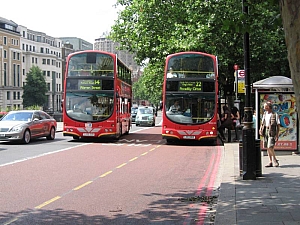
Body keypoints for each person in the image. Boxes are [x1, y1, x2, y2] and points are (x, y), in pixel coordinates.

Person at [259, 102, 280, 167]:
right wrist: (260, 129)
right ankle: (270, 161)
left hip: (272, 131)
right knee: (267, 147)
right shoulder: (265, 114)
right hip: (266, 131)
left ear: (269, 107)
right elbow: (262, 123)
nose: (264, 108)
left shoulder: (275, 114)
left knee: (270, 146)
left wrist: (277, 135)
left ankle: (275, 159)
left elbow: (278, 125)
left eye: (265, 106)